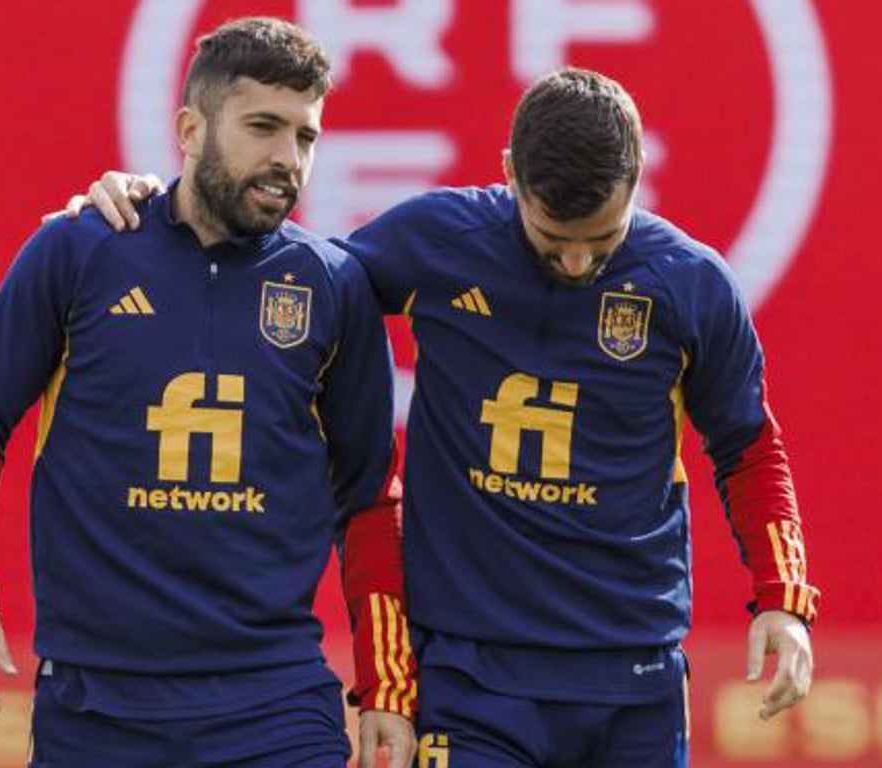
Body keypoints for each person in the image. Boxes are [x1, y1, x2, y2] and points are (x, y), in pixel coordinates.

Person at [67, 67, 821, 768]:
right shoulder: (440, 241)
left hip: (635, 675)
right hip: (469, 676)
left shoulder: (692, 287)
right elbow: (282, 280)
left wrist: (783, 601)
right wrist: (150, 213)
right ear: (508, 175)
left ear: (637, 187)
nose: (576, 265)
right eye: (554, 240)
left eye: (603, 240)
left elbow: (749, 448)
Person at [0, 17, 416, 768]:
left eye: (306, 137)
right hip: (97, 709)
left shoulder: (334, 286)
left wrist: (387, 684)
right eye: (263, 127)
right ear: (189, 127)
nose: (288, 158)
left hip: (274, 708)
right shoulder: (80, 249)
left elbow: (370, 501)